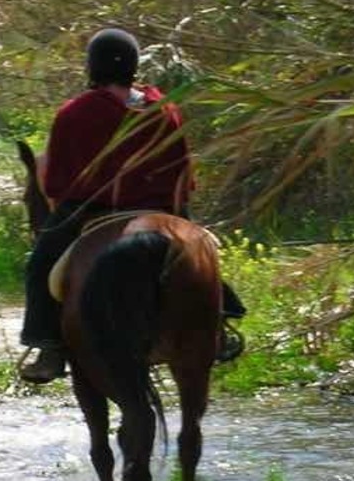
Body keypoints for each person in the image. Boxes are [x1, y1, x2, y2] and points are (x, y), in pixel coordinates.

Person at [18, 27, 245, 384]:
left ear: (92, 66)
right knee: (199, 251)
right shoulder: (163, 108)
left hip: (90, 212)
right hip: (161, 209)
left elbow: (58, 180)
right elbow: (180, 167)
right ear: (133, 67)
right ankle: (219, 320)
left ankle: (48, 346)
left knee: (40, 264)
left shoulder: (74, 113)